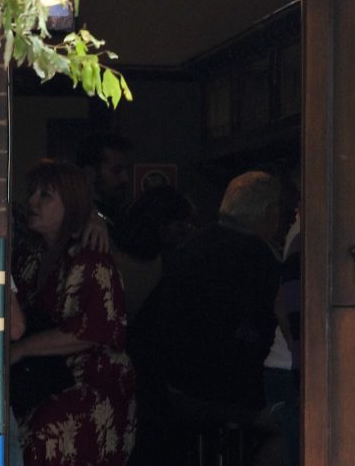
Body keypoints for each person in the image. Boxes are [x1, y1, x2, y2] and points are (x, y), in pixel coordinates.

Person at [9, 159, 136, 466]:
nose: (32, 203)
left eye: (46, 195)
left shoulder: (91, 256)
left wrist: (24, 349)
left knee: (54, 427)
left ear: (72, 203)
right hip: (42, 383)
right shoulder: (29, 257)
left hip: (94, 384)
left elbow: (95, 329)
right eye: (33, 193)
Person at [132, 171, 285, 419]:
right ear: (269, 211)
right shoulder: (256, 255)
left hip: (172, 383)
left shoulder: (192, 245)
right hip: (221, 387)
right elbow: (255, 326)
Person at [111, 183, 195, 324]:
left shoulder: (164, 261)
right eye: (181, 223)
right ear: (160, 222)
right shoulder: (112, 261)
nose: (188, 230)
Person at [75, 132, 134, 229]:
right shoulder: (82, 222)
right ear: (90, 173)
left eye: (126, 170)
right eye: (117, 171)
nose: (125, 178)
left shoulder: (122, 216)